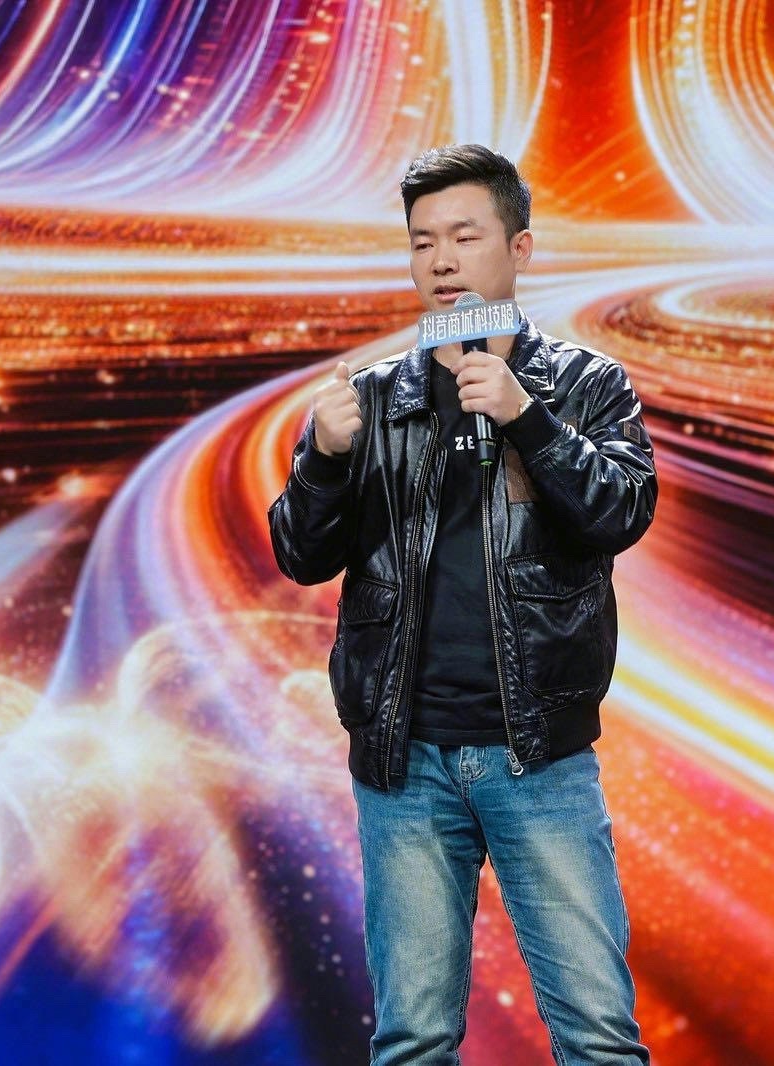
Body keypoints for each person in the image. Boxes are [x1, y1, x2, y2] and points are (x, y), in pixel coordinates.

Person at [268, 143, 656, 1065]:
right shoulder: (369, 400)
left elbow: (620, 513)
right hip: (403, 764)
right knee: (412, 1041)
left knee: (599, 1038)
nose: (441, 260)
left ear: (519, 248)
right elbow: (300, 555)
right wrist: (323, 459)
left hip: (538, 757)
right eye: (422, 242)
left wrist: (527, 417)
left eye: (464, 236)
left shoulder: (586, 386)